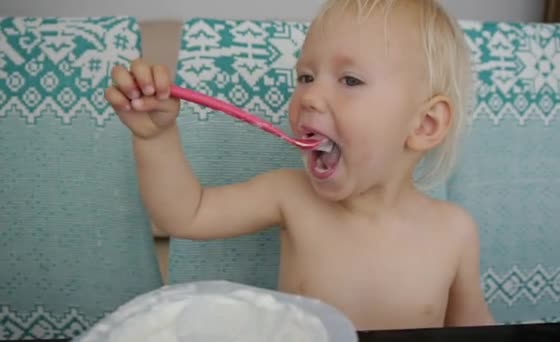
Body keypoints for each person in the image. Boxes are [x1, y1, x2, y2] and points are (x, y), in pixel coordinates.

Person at [105, 0, 494, 330]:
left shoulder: (454, 232)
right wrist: (155, 136)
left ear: (424, 125)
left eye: (350, 80)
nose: (309, 96)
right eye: (305, 76)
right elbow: (187, 214)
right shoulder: (291, 196)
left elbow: (476, 329)